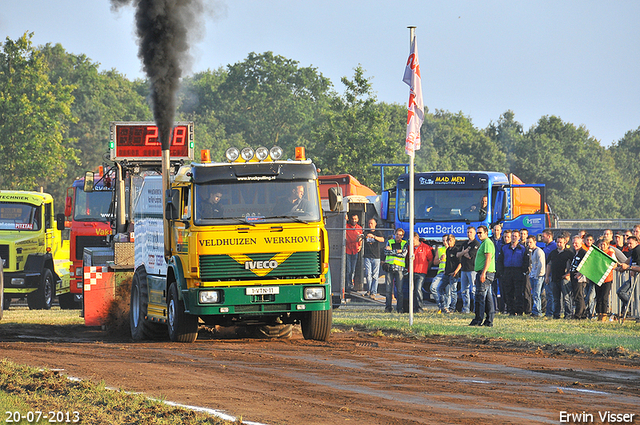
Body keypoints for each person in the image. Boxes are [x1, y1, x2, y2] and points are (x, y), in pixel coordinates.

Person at [469, 225, 495, 327]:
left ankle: (478, 319)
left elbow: (488, 259)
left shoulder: (487, 243)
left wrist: (483, 273)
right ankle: (489, 320)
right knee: (488, 298)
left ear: (486, 233)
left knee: (480, 297)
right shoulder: (484, 243)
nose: (479, 235)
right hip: (484, 272)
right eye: (478, 233)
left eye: (481, 233)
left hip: (486, 273)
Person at [545, 235, 574, 319]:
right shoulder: (553, 253)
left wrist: (568, 274)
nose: (558, 244)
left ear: (565, 242)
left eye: (560, 242)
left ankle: (568, 315)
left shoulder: (569, 254)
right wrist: (547, 276)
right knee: (555, 298)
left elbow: (573, 266)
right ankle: (556, 314)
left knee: (566, 298)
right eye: (557, 242)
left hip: (564, 279)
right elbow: (549, 264)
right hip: (554, 278)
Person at [500, 230, 527, 315]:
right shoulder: (504, 248)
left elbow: (526, 261)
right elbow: (500, 260)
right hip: (507, 271)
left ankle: (519, 311)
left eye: (515, 236)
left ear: (519, 238)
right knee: (508, 292)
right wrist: (501, 272)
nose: (513, 237)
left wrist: (523, 271)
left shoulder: (522, 249)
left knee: (518, 292)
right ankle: (510, 310)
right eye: (512, 236)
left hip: (518, 271)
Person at [407, 232, 433, 313]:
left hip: (421, 272)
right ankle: (413, 308)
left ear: (417, 239)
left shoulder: (426, 248)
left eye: (412, 239)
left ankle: (419, 308)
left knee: (418, 289)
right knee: (412, 290)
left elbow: (430, 260)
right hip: (411, 272)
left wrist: (426, 269)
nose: (411, 241)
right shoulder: (409, 248)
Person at [384, 228, 407, 313]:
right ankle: (388, 308)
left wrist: (392, 251)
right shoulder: (390, 242)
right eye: (397, 234)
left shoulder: (404, 243)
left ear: (402, 236)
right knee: (388, 290)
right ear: (395, 234)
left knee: (400, 290)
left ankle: (399, 309)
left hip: (399, 268)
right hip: (389, 267)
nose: (398, 236)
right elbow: (386, 252)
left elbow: (404, 254)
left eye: (400, 235)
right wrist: (397, 251)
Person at [457, 226, 479, 313]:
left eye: (470, 232)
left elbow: (470, 256)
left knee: (473, 290)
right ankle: (466, 308)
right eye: (468, 232)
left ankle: (475, 309)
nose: (469, 234)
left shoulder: (476, 244)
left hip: (472, 269)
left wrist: (464, 253)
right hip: (464, 269)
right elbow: (458, 254)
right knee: (464, 290)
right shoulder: (464, 243)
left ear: (474, 233)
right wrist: (464, 252)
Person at [363, 218, 384, 297]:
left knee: (375, 275)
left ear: (375, 224)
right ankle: (369, 290)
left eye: (372, 223)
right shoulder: (365, 232)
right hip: (367, 256)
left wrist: (374, 237)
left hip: (376, 257)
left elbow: (382, 239)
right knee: (368, 274)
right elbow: (361, 238)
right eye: (369, 223)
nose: (370, 225)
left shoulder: (378, 232)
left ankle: (374, 292)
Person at [595, 238, 615, 321]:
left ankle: (604, 313)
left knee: (604, 297)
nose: (602, 246)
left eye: (604, 245)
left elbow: (615, 264)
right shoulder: (598, 253)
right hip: (598, 278)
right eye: (601, 244)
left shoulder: (610, 253)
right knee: (598, 297)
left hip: (607, 278)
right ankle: (599, 313)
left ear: (607, 245)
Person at [439, 234, 460, 313]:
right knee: (439, 288)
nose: (449, 242)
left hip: (453, 274)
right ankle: (443, 307)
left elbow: (460, 263)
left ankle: (452, 308)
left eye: (450, 240)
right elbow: (448, 262)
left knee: (453, 291)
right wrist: (445, 270)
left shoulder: (456, 250)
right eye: (448, 240)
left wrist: (455, 272)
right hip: (446, 274)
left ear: (454, 241)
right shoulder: (447, 250)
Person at [569, 236, 588, 319]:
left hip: (580, 278)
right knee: (577, 295)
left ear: (581, 243)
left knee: (578, 296)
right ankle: (583, 313)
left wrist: (579, 274)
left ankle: (578, 314)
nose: (574, 245)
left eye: (576, 243)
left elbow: (586, 264)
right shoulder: (575, 252)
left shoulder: (583, 253)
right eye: (573, 243)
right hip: (574, 275)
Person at [527, 235, 546, 317]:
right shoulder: (532, 251)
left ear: (535, 242)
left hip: (538, 276)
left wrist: (538, 275)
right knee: (534, 294)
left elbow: (541, 265)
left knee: (537, 294)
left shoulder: (539, 251)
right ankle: (535, 310)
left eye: (530, 242)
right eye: (528, 243)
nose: (529, 244)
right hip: (533, 275)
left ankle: (538, 311)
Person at [345, 213, 363, 292]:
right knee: (348, 269)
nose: (354, 220)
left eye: (355, 219)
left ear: (358, 219)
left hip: (355, 250)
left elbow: (361, 238)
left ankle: (351, 285)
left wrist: (360, 246)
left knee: (353, 269)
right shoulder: (346, 226)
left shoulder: (359, 228)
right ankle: (347, 285)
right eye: (352, 219)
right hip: (347, 250)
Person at [431, 235, 448, 311]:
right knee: (433, 288)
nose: (445, 242)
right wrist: (440, 259)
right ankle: (441, 306)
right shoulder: (440, 249)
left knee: (448, 292)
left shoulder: (454, 250)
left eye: (446, 240)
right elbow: (435, 262)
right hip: (441, 273)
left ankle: (447, 309)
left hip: (449, 273)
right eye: (443, 240)